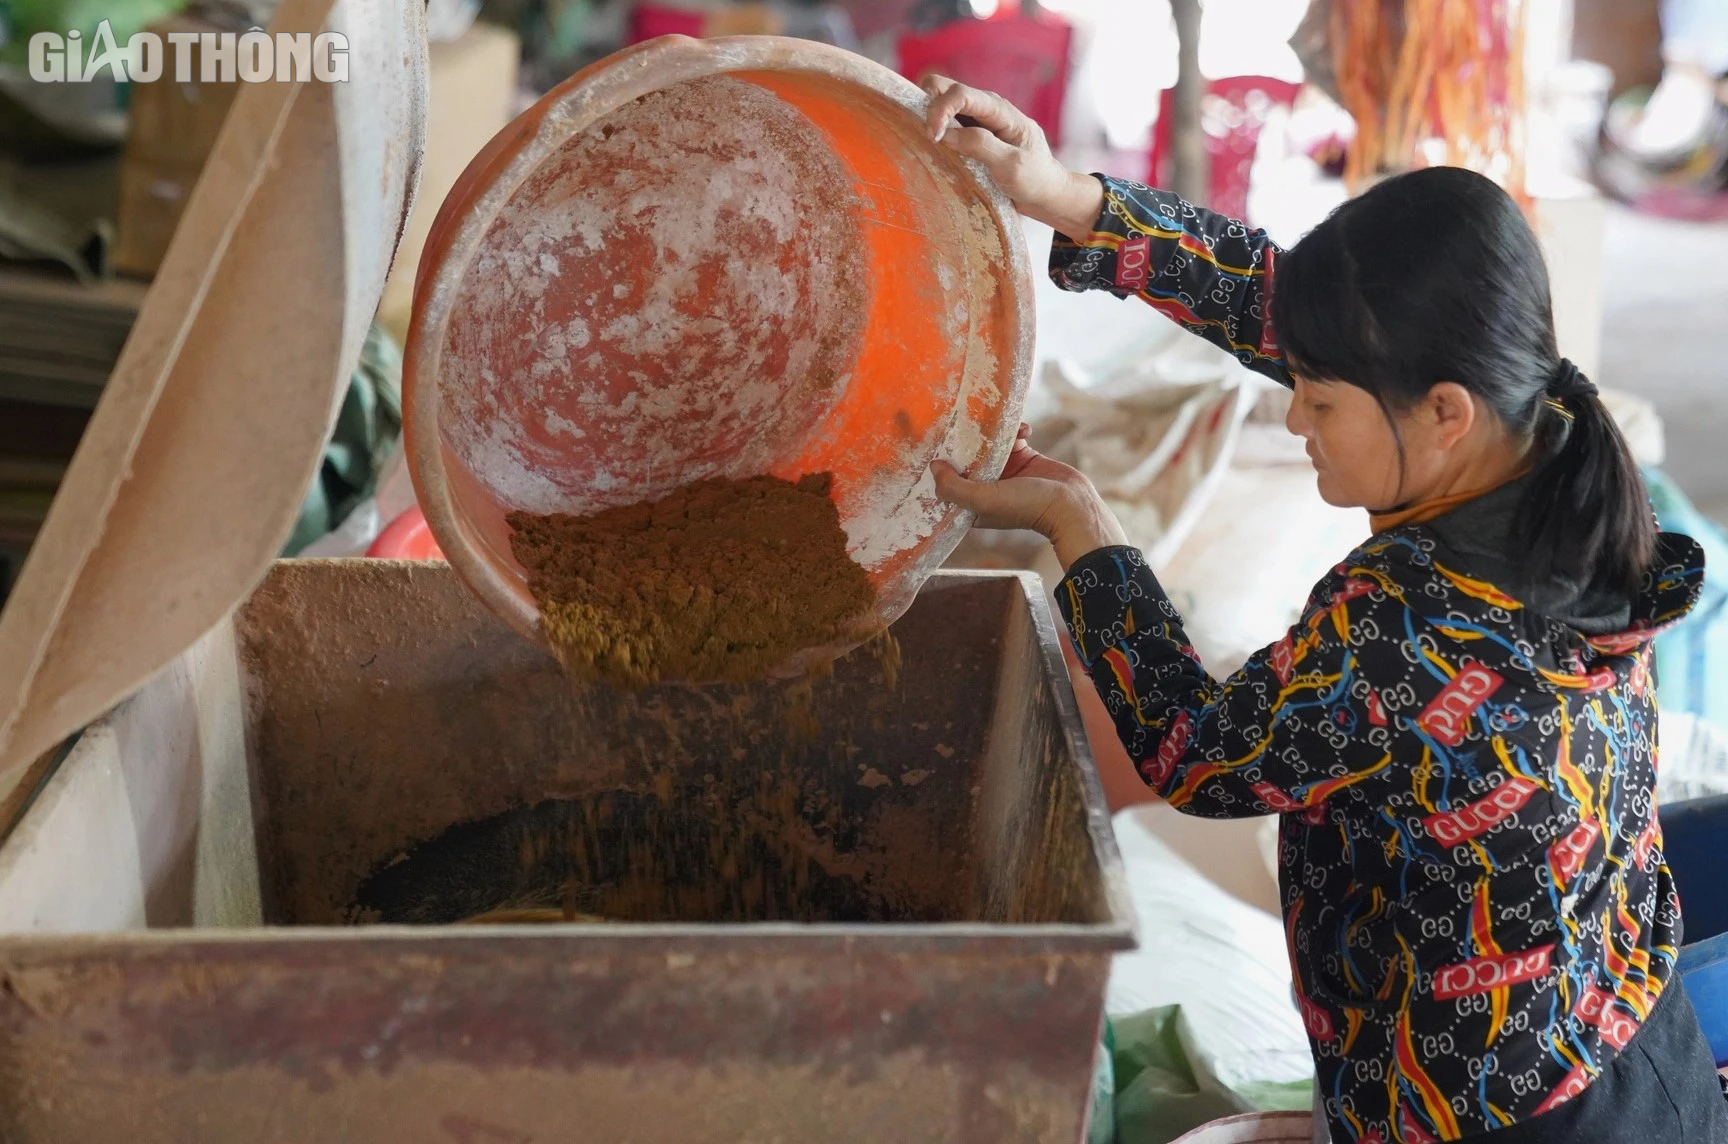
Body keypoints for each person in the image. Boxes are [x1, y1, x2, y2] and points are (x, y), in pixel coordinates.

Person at [919, 75, 1728, 1144]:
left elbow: (1200, 753)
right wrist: (1074, 201)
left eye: (1322, 400)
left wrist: (1079, 525)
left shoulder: (1407, 625)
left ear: (1444, 413)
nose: (1293, 413)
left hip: (1509, 1119)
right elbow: (1301, 312)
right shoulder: (1553, 424)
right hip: (1633, 1040)